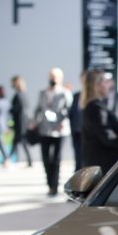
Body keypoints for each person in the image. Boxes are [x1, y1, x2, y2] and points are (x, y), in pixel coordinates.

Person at [33, 67, 72, 196]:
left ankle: (54, 187)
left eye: (55, 77)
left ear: (60, 78)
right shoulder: (43, 92)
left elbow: (69, 110)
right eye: (51, 76)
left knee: (56, 159)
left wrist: (62, 122)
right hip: (45, 130)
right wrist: (34, 122)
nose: (52, 79)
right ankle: (49, 184)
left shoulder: (65, 93)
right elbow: (38, 109)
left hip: (60, 131)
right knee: (45, 158)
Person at [80, 68, 118, 174]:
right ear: (97, 86)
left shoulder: (94, 106)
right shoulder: (96, 108)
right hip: (104, 163)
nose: (109, 85)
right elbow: (106, 136)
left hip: (100, 161)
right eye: (105, 82)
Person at [9, 75, 32, 167]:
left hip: (20, 124)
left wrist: (11, 110)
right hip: (21, 123)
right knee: (19, 143)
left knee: (19, 142)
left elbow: (19, 110)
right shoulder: (23, 94)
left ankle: (8, 159)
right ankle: (8, 159)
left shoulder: (19, 95)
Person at [68, 71, 85, 170]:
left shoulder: (93, 96)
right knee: (77, 152)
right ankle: (77, 170)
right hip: (76, 129)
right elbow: (71, 113)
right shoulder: (76, 95)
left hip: (86, 131)